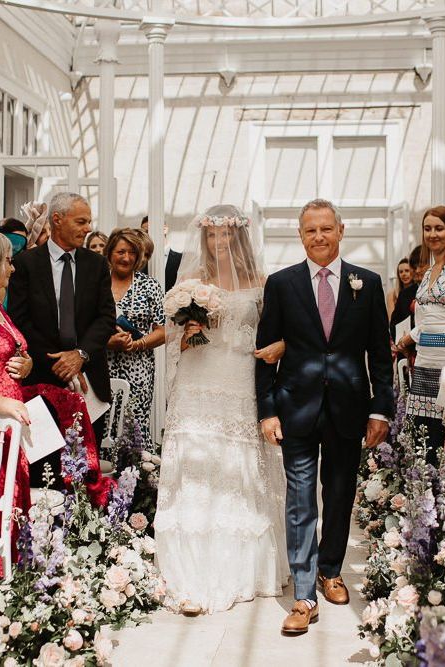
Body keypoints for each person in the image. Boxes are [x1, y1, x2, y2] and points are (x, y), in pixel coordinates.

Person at [0, 226, 111, 585]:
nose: (13, 269)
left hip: (7, 428)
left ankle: (12, 585)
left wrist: (26, 364)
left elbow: (13, 349)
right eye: (8, 262)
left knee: (14, 507)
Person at [256, 198, 393, 633]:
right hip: (296, 407)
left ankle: (330, 570)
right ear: (300, 236)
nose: (319, 236)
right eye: (310, 230)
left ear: (341, 230)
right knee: (299, 500)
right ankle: (302, 593)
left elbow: (380, 355)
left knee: (339, 495)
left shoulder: (367, 284)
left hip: (349, 408)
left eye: (326, 229)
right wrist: (267, 410)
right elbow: (264, 355)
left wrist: (380, 409)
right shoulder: (281, 284)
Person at [155, 204, 290, 616]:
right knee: (196, 464)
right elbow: (175, 342)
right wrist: (190, 327)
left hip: (240, 378)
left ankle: (242, 567)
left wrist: (280, 347)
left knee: (238, 467)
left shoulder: (261, 281)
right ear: (203, 239)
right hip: (198, 379)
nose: (219, 242)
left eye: (226, 234)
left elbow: (278, 331)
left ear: (239, 237)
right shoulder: (190, 281)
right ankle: (189, 573)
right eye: (212, 235)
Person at [8, 193, 116, 448]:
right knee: (45, 461)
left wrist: (80, 355)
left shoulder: (97, 264)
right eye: (81, 222)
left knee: (86, 464)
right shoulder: (26, 263)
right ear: (57, 219)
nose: (88, 228)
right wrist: (59, 362)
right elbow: (19, 320)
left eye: (89, 222)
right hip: (42, 378)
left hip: (88, 379)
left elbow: (106, 317)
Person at [396, 206, 445, 456]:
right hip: (425, 362)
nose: (432, 234)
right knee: (424, 439)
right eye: (427, 229)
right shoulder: (428, 272)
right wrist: (409, 337)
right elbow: (426, 319)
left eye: (439, 228)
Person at [105, 228, 165, 449]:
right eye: (121, 251)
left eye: (132, 252)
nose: (126, 257)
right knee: (103, 425)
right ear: (110, 252)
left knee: (134, 425)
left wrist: (137, 344)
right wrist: (107, 342)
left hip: (139, 369)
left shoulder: (150, 286)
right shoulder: (97, 284)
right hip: (103, 365)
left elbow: (163, 330)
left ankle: (136, 477)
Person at [389, 244, 426, 341]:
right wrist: (401, 344)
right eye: (414, 267)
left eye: (421, 266)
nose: (417, 270)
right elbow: (393, 323)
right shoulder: (404, 294)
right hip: (405, 346)